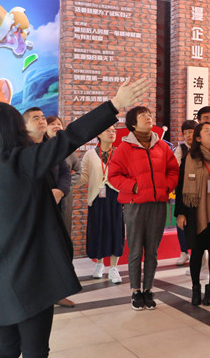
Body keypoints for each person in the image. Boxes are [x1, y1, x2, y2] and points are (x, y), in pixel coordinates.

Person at [0, 78, 148, 358]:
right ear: (14, 129)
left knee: (7, 348)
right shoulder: (22, 161)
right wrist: (115, 104)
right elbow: (69, 137)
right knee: (35, 350)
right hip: (31, 279)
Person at [108, 106, 180, 311]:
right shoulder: (124, 148)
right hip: (135, 206)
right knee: (135, 250)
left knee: (152, 251)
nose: (148, 118)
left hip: (158, 204)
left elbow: (173, 170)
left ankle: (148, 289)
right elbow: (113, 176)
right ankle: (135, 291)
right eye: (142, 116)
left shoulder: (162, 146)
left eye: (149, 115)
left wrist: (166, 187)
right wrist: (133, 187)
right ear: (133, 123)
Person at [23, 107, 74, 308]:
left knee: (57, 251)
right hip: (31, 212)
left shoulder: (52, 146)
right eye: (35, 118)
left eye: (43, 117)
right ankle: (36, 296)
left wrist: (60, 191)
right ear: (24, 125)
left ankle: (57, 293)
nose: (42, 121)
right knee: (35, 253)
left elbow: (66, 173)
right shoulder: (20, 150)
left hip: (55, 207)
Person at [175, 122, 210, 306]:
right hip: (195, 212)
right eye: (207, 131)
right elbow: (181, 187)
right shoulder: (189, 158)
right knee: (196, 252)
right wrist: (180, 213)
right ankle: (196, 288)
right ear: (198, 138)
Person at [79, 125, 124, 283]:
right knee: (98, 229)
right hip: (96, 196)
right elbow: (84, 176)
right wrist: (70, 179)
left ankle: (113, 268)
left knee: (115, 230)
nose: (112, 133)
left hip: (115, 196)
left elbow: (126, 174)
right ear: (99, 134)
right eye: (108, 130)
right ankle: (99, 264)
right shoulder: (90, 154)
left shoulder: (120, 152)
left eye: (114, 131)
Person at [46, 115, 82, 236]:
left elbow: (79, 170)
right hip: (47, 195)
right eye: (52, 124)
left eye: (59, 124)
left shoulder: (68, 149)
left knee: (64, 229)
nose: (56, 126)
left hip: (65, 195)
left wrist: (64, 186)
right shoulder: (40, 149)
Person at [174, 120, 197, 266]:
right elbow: (175, 167)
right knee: (181, 221)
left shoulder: (201, 148)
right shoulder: (181, 149)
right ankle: (184, 252)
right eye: (186, 133)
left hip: (197, 192)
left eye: (191, 132)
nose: (188, 135)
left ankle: (196, 253)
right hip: (182, 191)